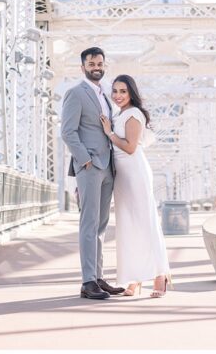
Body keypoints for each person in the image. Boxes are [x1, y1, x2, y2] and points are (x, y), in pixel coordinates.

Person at [60, 46, 126, 300]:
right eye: (91, 64)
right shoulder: (76, 93)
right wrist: (84, 160)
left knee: (100, 226)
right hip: (89, 166)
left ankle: (98, 277)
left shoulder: (105, 95)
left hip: (107, 166)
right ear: (83, 67)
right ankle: (88, 282)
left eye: (100, 63)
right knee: (89, 224)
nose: (96, 67)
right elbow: (68, 131)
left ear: (104, 65)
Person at [100, 75, 173, 298]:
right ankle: (134, 279)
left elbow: (131, 148)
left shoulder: (133, 114)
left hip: (135, 173)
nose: (118, 96)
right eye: (115, 91)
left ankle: (160, 277)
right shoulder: (120, 114)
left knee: (145, 223)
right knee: (128, 226)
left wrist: (109, 133)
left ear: (131, 93)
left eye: (123, 91)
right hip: (123, 175)